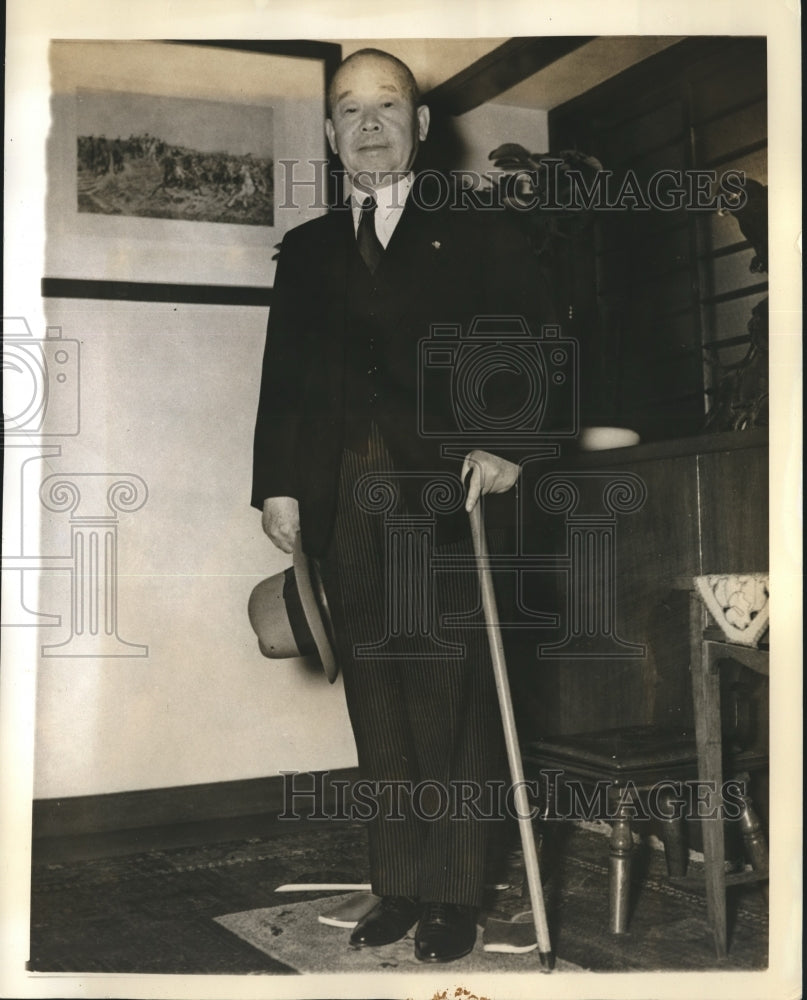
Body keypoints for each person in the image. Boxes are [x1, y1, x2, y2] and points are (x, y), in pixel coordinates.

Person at [251, 49, 552, 963]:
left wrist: (511, 445)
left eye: (390, 105)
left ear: (423, 125)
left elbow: (545, 338)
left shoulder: (483, 225)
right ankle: (399, 883)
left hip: (447, 492)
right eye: (350, 111)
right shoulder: (307, 251)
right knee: (377, 695)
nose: (370, 123)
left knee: (452, 700)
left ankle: (455, 893)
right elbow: (285, 382)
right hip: (344, 499)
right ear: (333, 132)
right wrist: (279, 484)